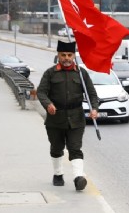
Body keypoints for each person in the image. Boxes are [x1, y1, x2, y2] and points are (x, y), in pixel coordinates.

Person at [36, 40, 99, 191]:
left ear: (74, 55)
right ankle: (58, 174)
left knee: (75, 147)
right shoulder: (50, 73)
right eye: (63, 55)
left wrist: (94, 108)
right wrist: (48, 104)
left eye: (69, 55)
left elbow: (91, 94)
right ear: (58, 55)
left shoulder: (81, 73)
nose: (66, 58)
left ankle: (78, 178)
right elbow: (41, 92)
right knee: (57, 148)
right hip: (55, 118)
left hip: (76, 118)